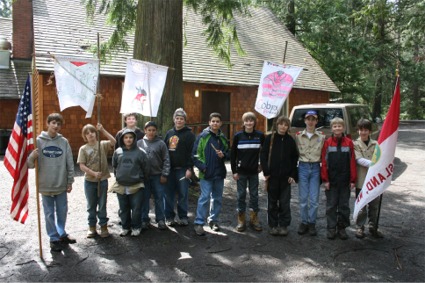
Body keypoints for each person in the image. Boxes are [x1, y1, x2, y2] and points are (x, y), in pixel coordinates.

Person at [27, 113, 75, 252]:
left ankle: (61, 233)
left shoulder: (63, 142)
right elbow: (30, 165)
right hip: (45, 184)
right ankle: (53, 238)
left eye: (59, 124)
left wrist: (70, 180)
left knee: (62, 211)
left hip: (60, 183)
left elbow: (69, 163)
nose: (56, 126)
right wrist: (32, 156)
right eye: (53, 123)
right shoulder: (38, 141)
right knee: (49, 213)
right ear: (48, 123)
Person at [260, 116, 298, 236]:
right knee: (272, 203)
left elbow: (294, 158)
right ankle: (273, 225)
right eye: (281, 124)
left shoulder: (290, 140)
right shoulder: (270, 139)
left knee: (284, 203)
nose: (283, 127)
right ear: (277, 125)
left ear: (288, 127)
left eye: (285, 125)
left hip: (285, 178)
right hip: (272, 177)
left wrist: (293, 174)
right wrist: (266, 172)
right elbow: (263, 155)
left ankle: (283, 225)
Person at [192, 112, 229, 236]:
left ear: (221, 123)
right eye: (213, 121)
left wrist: (223, 155)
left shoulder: (223, 138)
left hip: (219, 173)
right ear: (209, 123)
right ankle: (199, 223)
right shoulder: (203, 136)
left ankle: (213, 221)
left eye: (217, 121)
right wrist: (203, 168)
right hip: (206, 174)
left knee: (217, 198)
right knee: (204, 198)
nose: (215, 123)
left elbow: (229, 153)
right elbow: (195, 155)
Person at [77, 123, 116, 238]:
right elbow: (82, 166)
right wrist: (93, 173)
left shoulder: (102, 144)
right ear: (85, 136)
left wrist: (103, 130)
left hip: (103, 180)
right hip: (89, 181)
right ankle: (92, 226)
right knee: (91, 205)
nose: (90, 134)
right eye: (87, 133)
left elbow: (113, 141)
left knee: (102, 204)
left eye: (92, 132)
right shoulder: (83, 149)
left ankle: (103, 225)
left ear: (96, 133)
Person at [321, 117, 357, 240]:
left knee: (344, 206)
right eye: (335, 126)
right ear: (331, 128)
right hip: (331, 181)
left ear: (343, 128)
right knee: (331, 205)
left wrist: (353, 180)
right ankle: (331, 228)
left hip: (345, 181)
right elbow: (324, 162)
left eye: (339, 126)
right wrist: (325, 180)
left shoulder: (349, 142)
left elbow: (352, 162)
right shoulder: (328, 142)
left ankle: (342, 228)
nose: (337, 128)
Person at [110, 129, 150, 237]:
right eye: (126, 137)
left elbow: (146, 168)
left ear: (134, 139)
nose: (128, 139)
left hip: (136, 185)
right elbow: (114, 166)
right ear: (122, 139)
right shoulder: (118, 151)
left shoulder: (141, 152)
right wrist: (119, 176)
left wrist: (140, 178)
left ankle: (136, 227)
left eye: (131, 137)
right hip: (121, 185)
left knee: (136, 208)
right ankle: (125, 227)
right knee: (123, 208)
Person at [230, 112, 265, 232]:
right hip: (241, 172)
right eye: (247, 120)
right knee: (241, 195)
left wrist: (262, 165)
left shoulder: (260, 135)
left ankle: (254, 219)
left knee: (254, 195)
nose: (249, 123)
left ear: (254, 122)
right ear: (243, 122)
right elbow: (233, 154)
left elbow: (264, 153)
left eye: (251, 120)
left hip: (254, 172)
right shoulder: (238, 136)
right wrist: (234, 171)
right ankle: (241, 220)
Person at [294, 110, 325, 236]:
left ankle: (312, 223)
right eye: (308, 119)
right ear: (305, 120)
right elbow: (294, 153)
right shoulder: (298, 136)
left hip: (316, 167)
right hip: (303, 167)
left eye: (313, 119)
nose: (311, 121)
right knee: (302, 198)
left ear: (317, 121)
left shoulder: (322, 136)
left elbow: (324, 155)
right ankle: (304, 222)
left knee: (314, 198)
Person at [163, 108, 196, 226]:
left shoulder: (189, 135)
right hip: (169, 169)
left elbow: (192, 153)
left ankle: (183, 217)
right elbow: (164, 151)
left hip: (183, 169)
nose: (179, 121)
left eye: (181, 119)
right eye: (177, 118)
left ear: (185, 120)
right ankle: (169, 217)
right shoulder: (169, 133)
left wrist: (189, 168)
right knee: (168, 194)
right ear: (174, 119)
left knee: (183, 194)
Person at [137, 121, 170, 230]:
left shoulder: (161, 144)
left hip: (158, 176)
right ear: (145, 130)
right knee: (144, 198)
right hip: (144, 177)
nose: (151, 132)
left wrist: (164, 174)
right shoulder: (139, 143)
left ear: (156, 131)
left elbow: (166, 160)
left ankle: (160, 219)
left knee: (159, 198)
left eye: (153, 130)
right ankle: (144, 219)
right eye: (149, 130)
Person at [354, 118, 383, 239]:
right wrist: (374, 164)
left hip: (374, 180)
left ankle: (373, 226)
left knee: (374, 205)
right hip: (361, 180)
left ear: (370, 131)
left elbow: (382, 158)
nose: (363, 132)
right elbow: (359, 159)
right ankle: (360, 227)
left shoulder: (376, 144)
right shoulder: (355, 144)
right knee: (361, 206)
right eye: (361, 130)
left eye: (366, 130)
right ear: (358, 131)